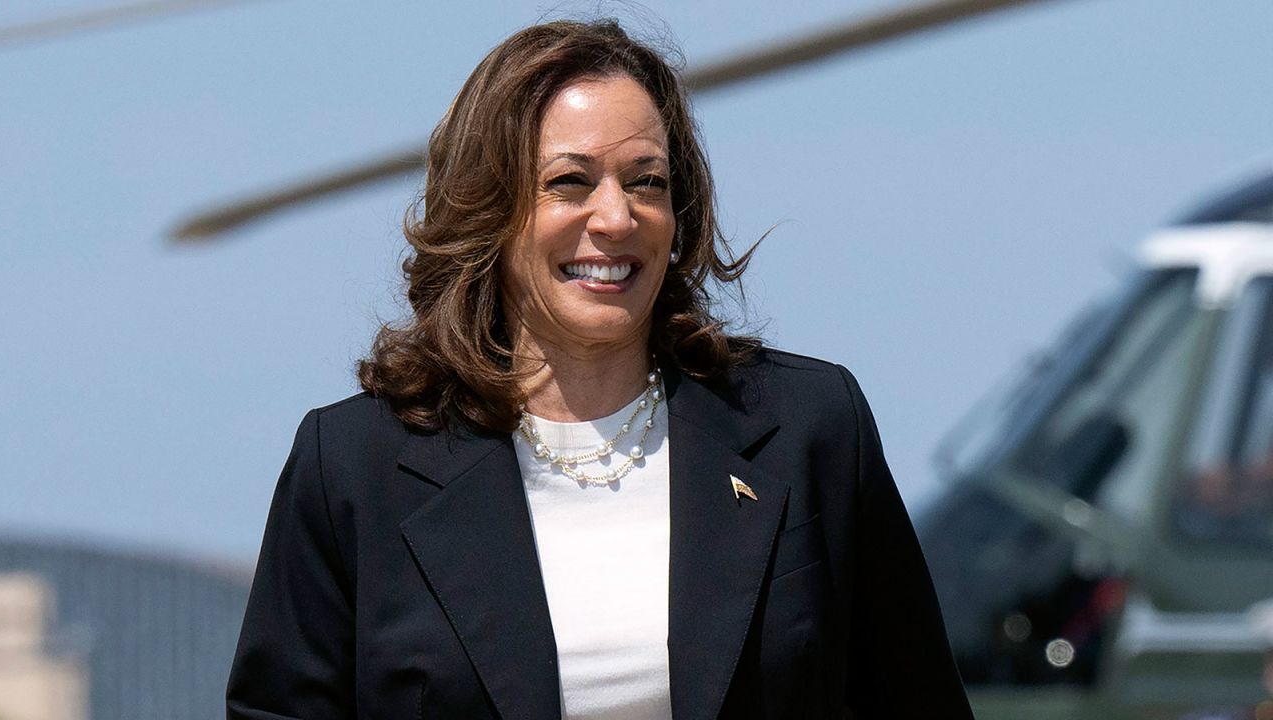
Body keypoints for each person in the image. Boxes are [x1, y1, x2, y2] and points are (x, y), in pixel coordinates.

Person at [226, 18, 972, 720]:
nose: (616, 218)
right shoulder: (352, 469)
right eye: (570, 182)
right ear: (490, 211)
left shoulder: (811, 426)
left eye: (646, 181)